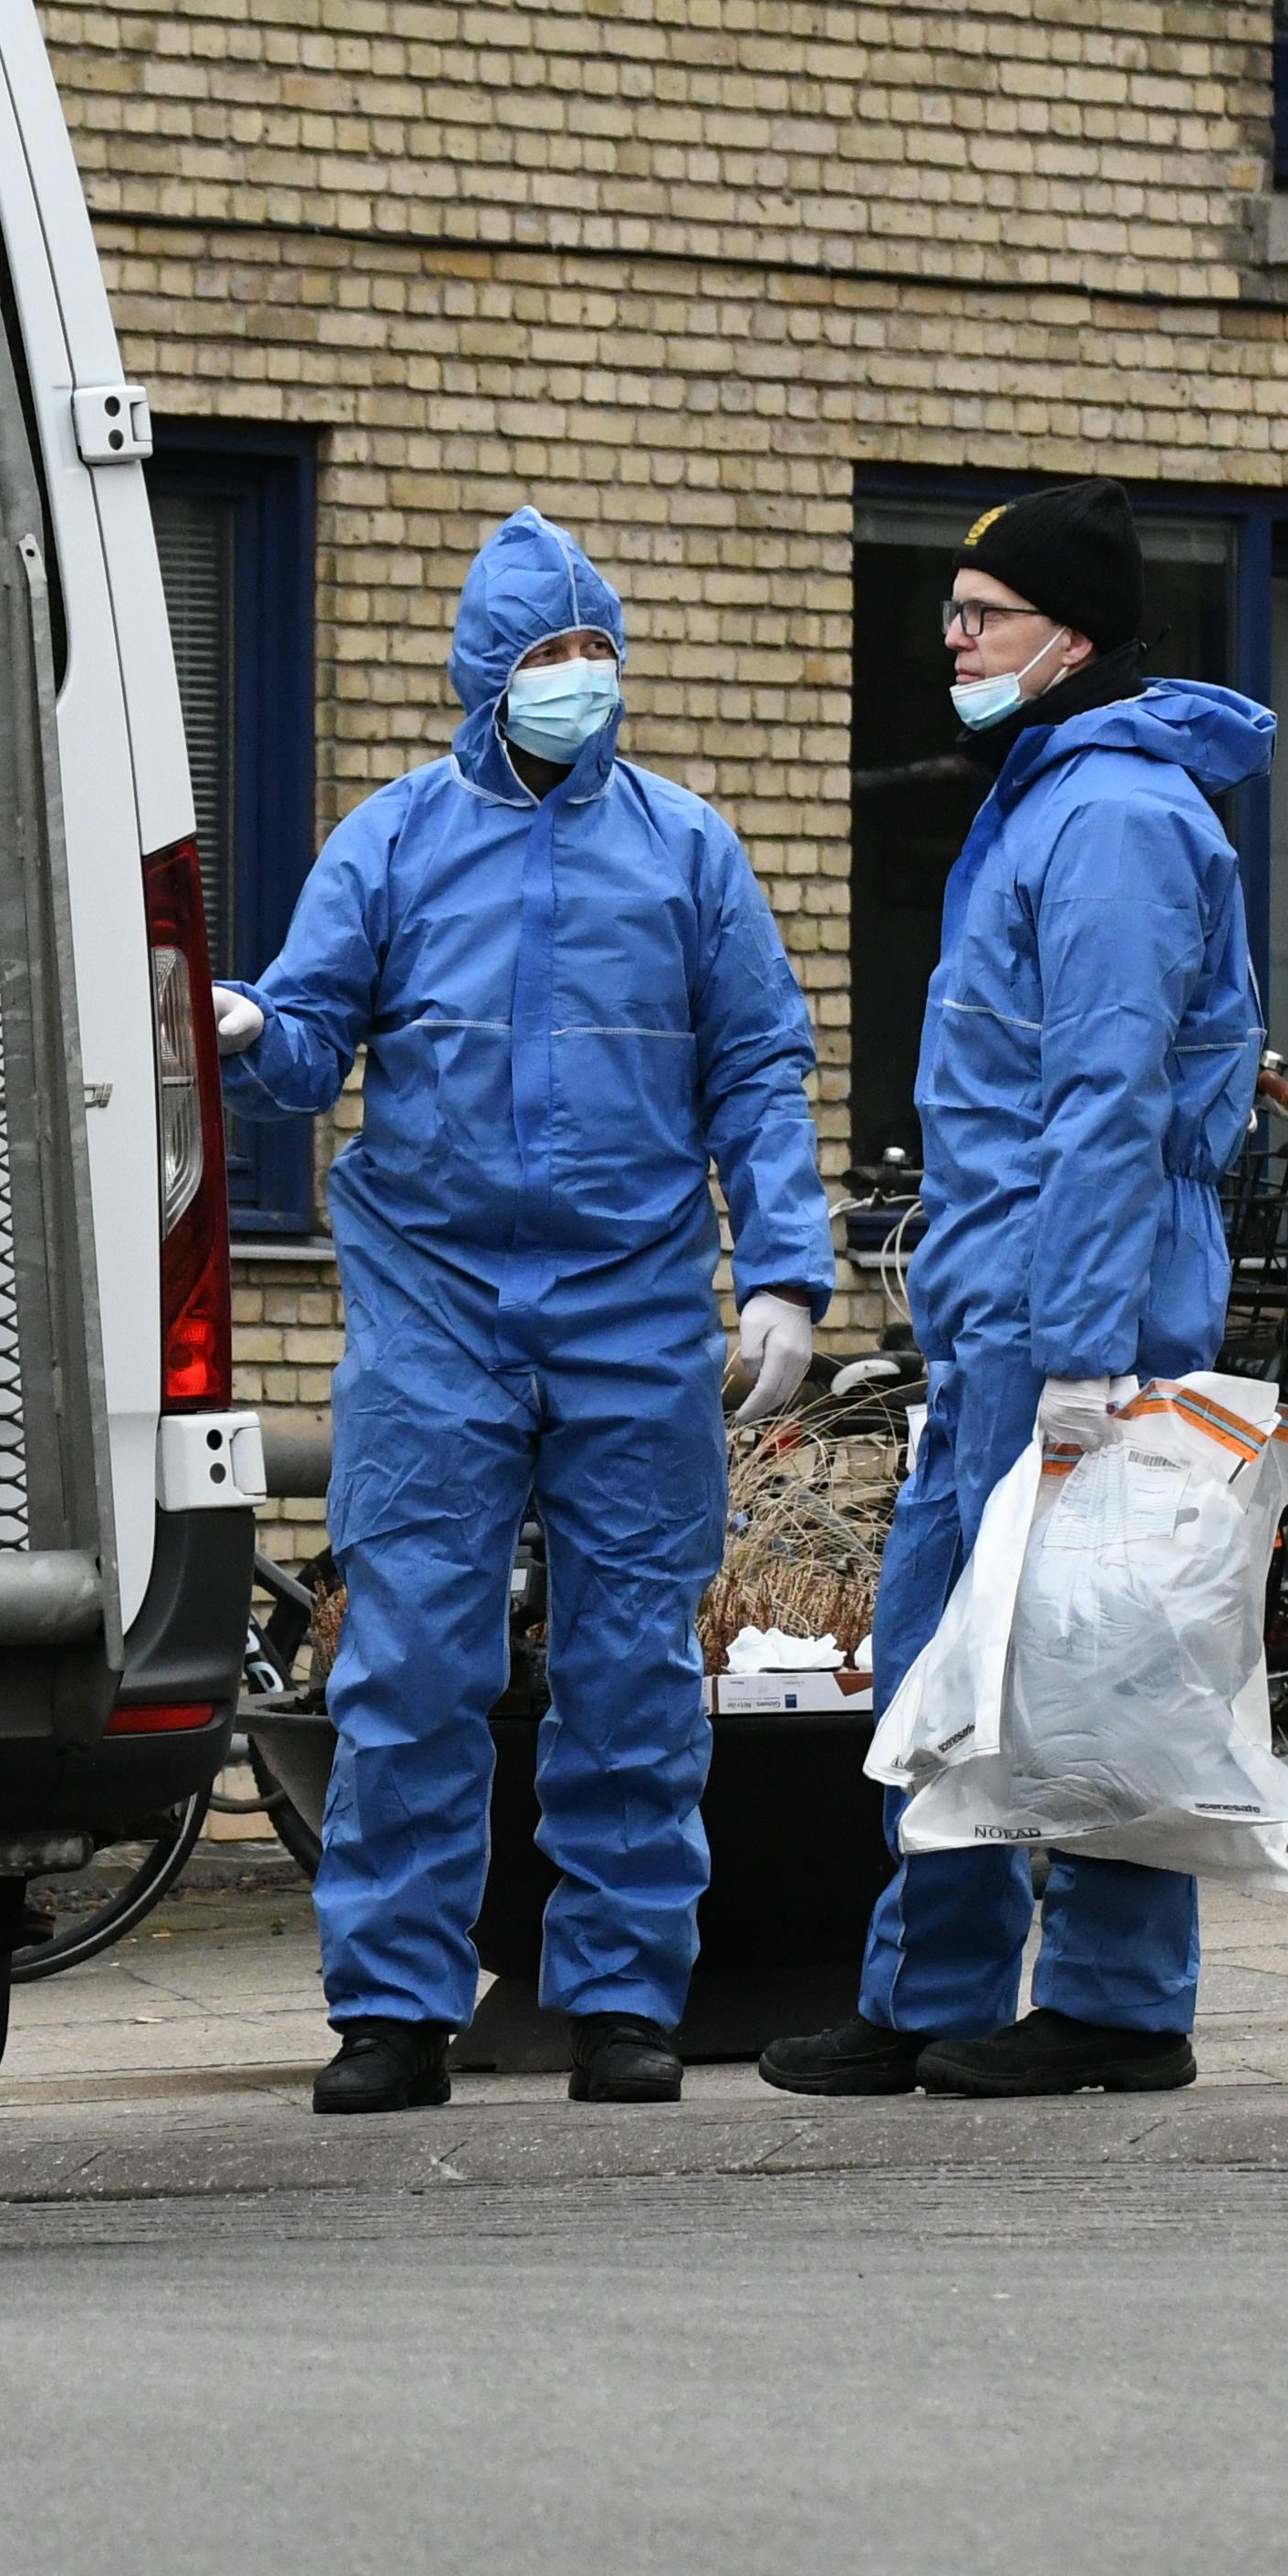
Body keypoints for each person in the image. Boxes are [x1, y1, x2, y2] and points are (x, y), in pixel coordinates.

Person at [220, 509, 835, 2115]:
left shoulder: (686, 848)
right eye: (551, 657)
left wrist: (780, 1267)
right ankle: (394, 2010)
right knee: (411, 1659)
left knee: (632, 1658)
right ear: (488, 678)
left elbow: (760, 1068)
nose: (583, 680)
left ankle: (623, 1998)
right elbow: (307, 1040)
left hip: (632, 1306)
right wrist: (239, 1021)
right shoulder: (396, 842)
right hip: (435, 1307)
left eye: (596, 651)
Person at [764, 478, 1268, 2101]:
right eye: (952, 618)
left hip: (1077, 1300)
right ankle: (938, 1990)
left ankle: (1118, 2007)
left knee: (1097, 1649)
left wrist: (1076, 1351)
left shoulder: (1113, 819)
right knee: (952, 1651)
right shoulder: (1051, 792)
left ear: (1072, 639)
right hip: (1012, 1294)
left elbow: (1111, 1103)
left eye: (982, 617)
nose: (953, 641)